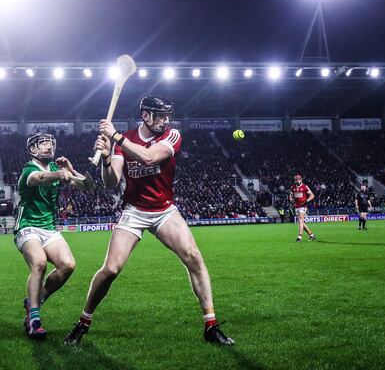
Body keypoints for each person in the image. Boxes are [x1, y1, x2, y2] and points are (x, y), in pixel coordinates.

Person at [64, 96, 234, 346]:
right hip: (133, 211)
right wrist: (107, 156)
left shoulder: (172, 135)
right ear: (146, 116)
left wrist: (116, 137)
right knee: (110, 269)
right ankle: (82, 323)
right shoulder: (124, 141)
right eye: (160, 116)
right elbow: (111, 182)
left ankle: (210, 325)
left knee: (193, 256)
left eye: (167, 115)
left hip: (164, 210)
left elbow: (149, 158)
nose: (166, 121)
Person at [15, 132, 93, 340]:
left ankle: (36, 299)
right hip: (27, 226)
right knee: (39, 263)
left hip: (49, 228)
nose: (49, 147)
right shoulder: (29, 170)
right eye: (44, 144)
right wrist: (59, 175)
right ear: (33, 149)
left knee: (68, 265)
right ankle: (34, 320)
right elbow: (38, 179)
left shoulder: (56, 168)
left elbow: (88, 187)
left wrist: (70, 170)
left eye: (51, 143)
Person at [289, 173, 316, 241]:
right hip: (296, 206)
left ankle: (299, 237)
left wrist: (306, 201)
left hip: (303, 206)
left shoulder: (304, 186)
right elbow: (290, 195)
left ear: (301, 180)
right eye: (296, 180)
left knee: (301, 219)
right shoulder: (293, 187)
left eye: (299, 179)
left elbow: (312, 195)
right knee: (301, 222)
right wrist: (291, 200)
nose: (297, 181)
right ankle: (311, 235)